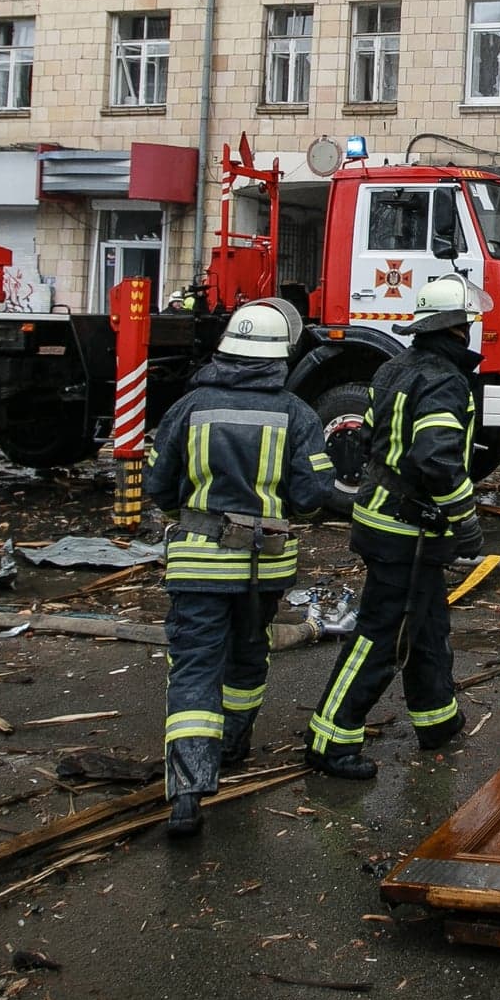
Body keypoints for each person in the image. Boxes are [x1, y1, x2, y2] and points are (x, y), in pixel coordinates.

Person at [146, 300, 348, 838]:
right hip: (264, 568)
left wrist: (190, 519)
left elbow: (158, 486)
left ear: (228, 349)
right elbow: (312, 496)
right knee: (247, 654)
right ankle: (233, 744)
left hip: (196, 564)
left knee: (193, 667)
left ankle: (188, 790)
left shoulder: (189, 407)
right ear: (280, 355)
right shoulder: (298, 415)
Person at [304, 275, 487, 780]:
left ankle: (438, 720)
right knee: (380, 636)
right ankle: (329, 737)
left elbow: (363, 438)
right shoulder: (445, 381)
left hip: (383, 518)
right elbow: (437, 460)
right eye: (467, 323)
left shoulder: (391, 367)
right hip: (406, 531)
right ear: (455, 328)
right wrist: (465, 518)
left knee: (427, 626)